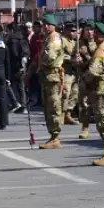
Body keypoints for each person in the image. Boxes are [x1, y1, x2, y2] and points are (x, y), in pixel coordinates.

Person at [83, 21, 104, 166]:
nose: (93, 35)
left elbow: (94, 71)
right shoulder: (101, 48)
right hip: (100, 89)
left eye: (96, 33)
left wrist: (84, 80)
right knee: (102, 121)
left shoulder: (101, 50)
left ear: (102, 36)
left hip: (101, 89)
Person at [37, 14, 66, 149]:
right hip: (47, 76)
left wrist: (40, 63)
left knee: (54, 106)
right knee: (48, 106)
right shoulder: (47, 38)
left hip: (53, 76)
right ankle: (52, 135)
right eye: (44, 24)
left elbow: (49, 57)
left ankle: (55, 136)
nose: (45, 27)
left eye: (47, 24)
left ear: (53, 25)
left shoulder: (54, 38)